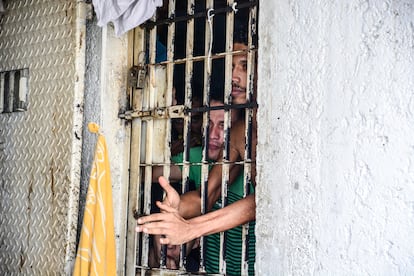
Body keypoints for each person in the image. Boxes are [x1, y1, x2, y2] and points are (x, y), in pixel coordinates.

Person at [137, 21, 257, 275]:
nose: (234, 76)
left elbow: (261, 203)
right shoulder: (240, 132)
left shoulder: (274, 129)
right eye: (231, 66)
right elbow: (208, 195)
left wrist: (192, 229)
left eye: (244, 66)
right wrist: (174, 209)